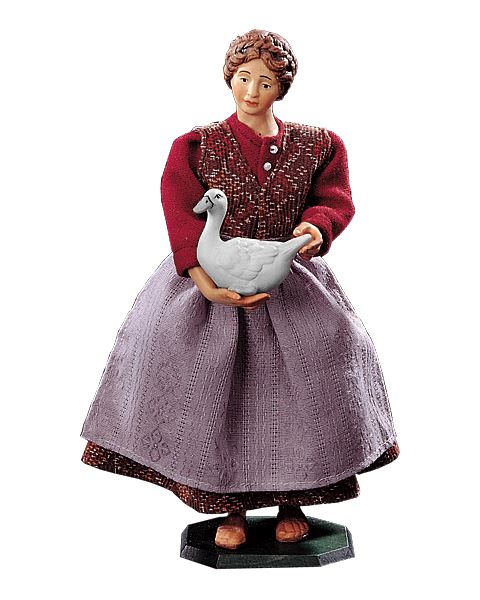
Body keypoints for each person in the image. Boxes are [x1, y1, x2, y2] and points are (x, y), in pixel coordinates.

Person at [80, 29, 399, 551]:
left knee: (316, 372)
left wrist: (315, 227)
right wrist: (205, 283)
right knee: (212, 390)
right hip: (210, 280)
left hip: (286, 277)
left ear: (282, 88)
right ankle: (230, 506)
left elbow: (334, 198)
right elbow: (181, 213)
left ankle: (294, 501)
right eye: (244, 78)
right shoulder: (196, 145)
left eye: (266, 82)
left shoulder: (318, 144)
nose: (252, 91)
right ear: (229, 78)